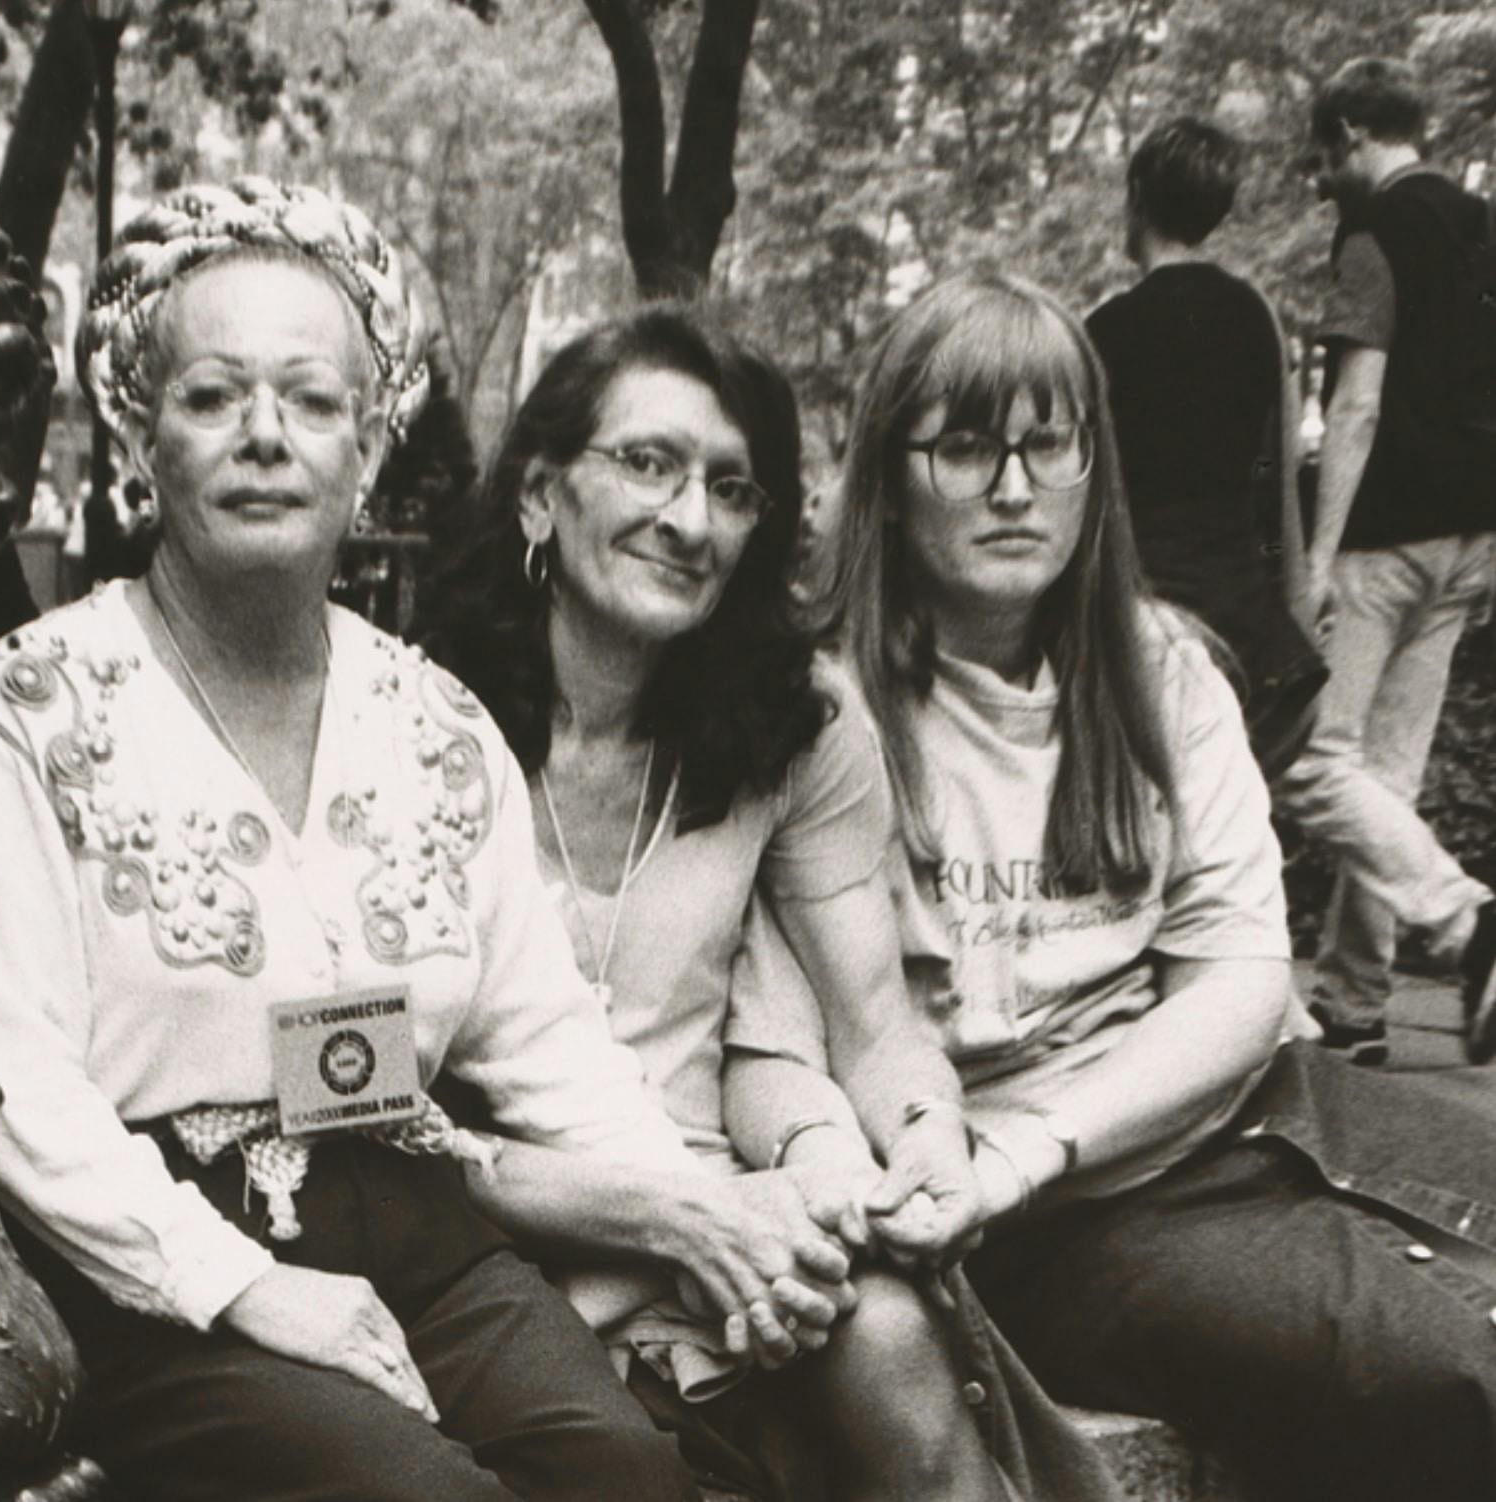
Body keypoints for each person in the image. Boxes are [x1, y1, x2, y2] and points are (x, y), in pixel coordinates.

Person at [0, 180, 849, 1502]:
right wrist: (249, 1288)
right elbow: (7, 1084)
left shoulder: (433, 722)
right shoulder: (19, 714)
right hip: (144, 1271)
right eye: (213, 395)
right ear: (140, 437)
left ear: (368, 447)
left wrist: (713, 1231)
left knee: (628, 1474)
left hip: (408, 1223)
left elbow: (547, 1044)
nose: (266, 437)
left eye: (313, 400)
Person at [737, 272, 1496, 1502]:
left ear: (1094, 467)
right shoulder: (813, 715)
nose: (1012, 486)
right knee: (1450, 1371)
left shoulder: (1161, 670)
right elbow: (774, 1040)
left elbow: (1243, 976)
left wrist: (1040, 1141)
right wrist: (975, 1169)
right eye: (965, 448)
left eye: (1048, 444)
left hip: (1241, 1113)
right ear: (886, 469)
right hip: (1045, 1225)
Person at [414, 305, 1122, 1502]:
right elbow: (378, 1115)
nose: (689, 520)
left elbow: (870, 1021)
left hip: (740, 1217)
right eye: (647, 463)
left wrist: (926, 1147)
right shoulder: (410, 721)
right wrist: (674, 1215)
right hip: (490, 1221)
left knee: (893, 1336)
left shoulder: (792, 722)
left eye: (731, 488)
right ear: (539, 494)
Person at [1283, 58, 1496, 1063]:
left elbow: (1354, 405)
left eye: (1324, 153)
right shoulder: (1480, 230)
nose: (1320, 175)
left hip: (1383, 537)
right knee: (1386, 780)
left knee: (1314, 765)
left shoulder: (1374, 234)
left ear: (1357, 132)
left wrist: (1315, 554)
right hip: (1469, 540)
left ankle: (1467, 923)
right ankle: (1355, 1003)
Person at [1085, 116, 1324, 778]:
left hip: (1143, 620)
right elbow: (1278, 480)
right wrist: (1293, 608)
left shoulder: (1102, 331)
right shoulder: (1257, 315)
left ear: (1135, 195)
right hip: (1244, 616)